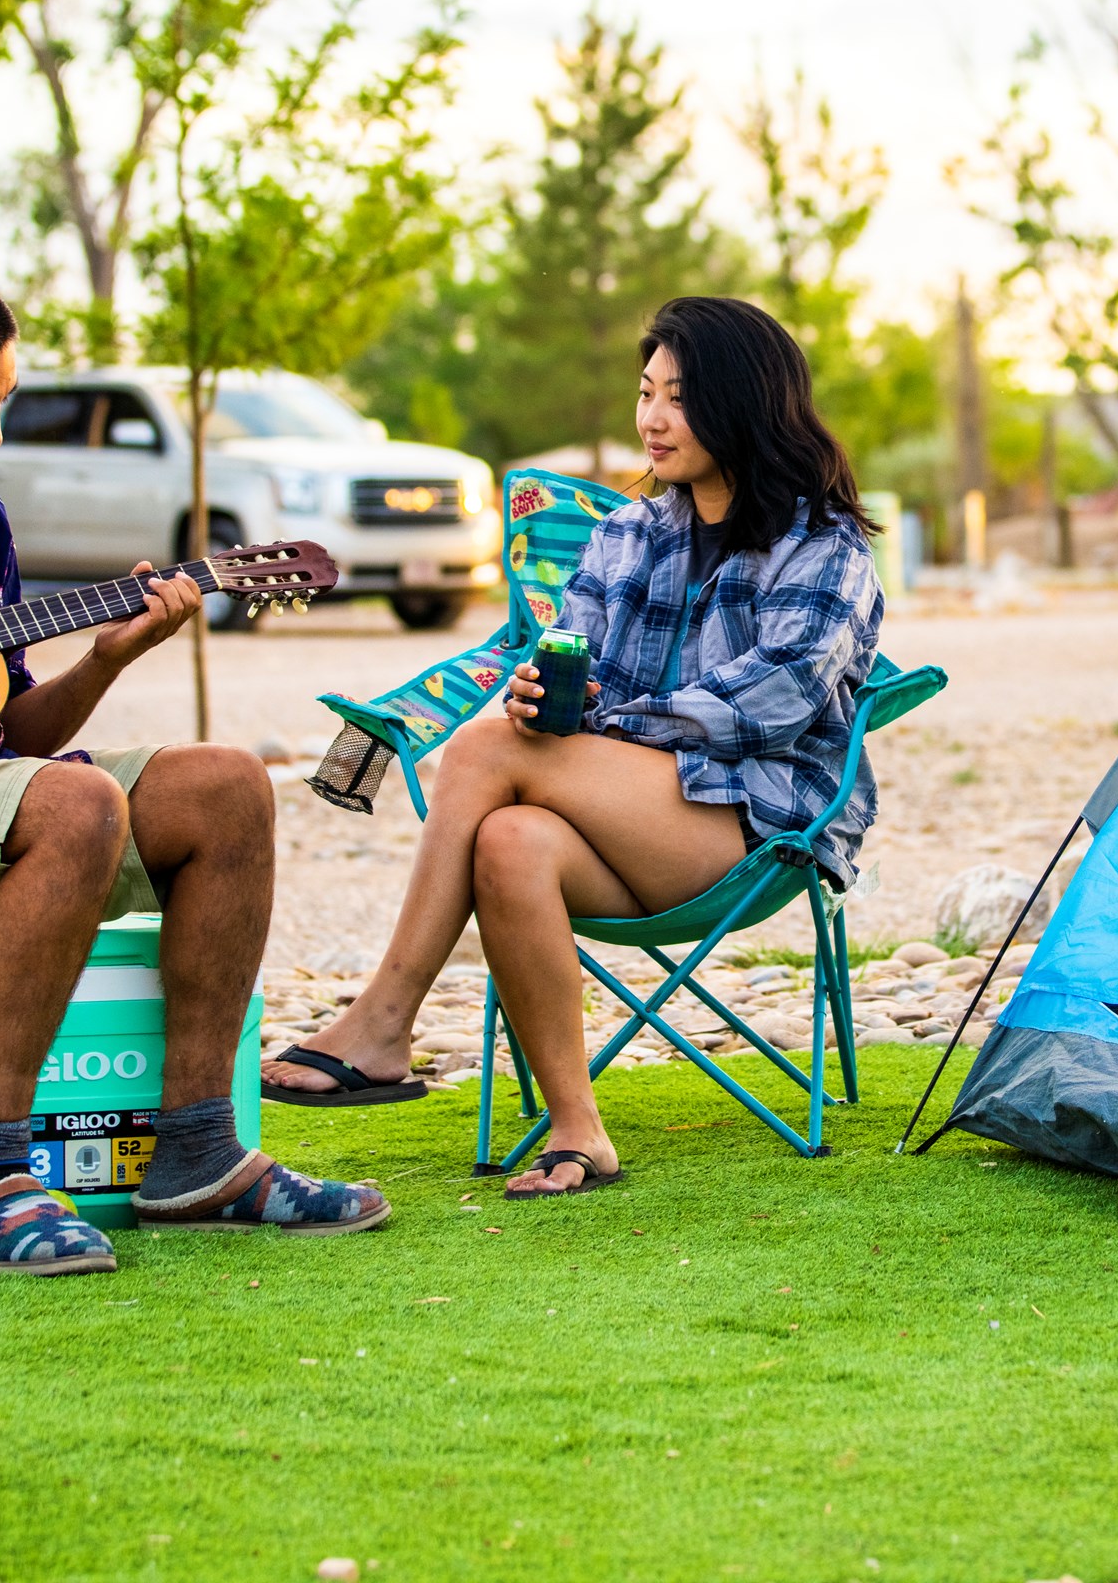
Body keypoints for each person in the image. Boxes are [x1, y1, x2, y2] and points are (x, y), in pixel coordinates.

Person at [263, 296, 885, 1195]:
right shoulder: (626, 534)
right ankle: (578, 1129)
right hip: (629, 817)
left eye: (679, 396)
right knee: (509, 839)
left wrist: (604, 728)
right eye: (645, 392)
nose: (653, 418)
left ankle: (384, 1020)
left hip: (757, 824)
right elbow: (569, 658)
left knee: (481, 755)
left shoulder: (817, 543)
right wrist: (547, 699)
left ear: (746, 405)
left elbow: (777, 701)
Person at [0, 262, 388, 1276]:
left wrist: (109, 655)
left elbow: (8, 737)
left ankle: (197, 1152)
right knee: (75, 801)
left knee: (225, 783)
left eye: (1, 404)